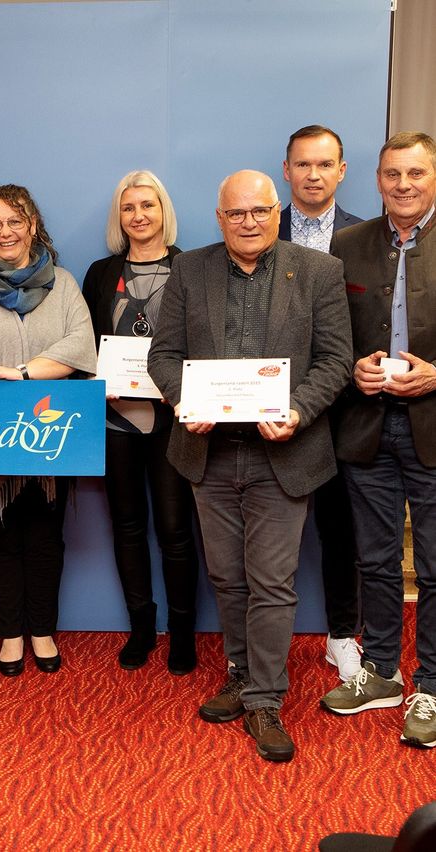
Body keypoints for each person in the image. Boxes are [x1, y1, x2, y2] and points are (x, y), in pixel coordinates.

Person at [148, 170, 352, 762]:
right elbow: (164, 356)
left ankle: (265, 698)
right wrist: (184, 401)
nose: (249, 222)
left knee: (270, 581)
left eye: (260, 211)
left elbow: (336, 361)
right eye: (237, 214)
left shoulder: (317, 272)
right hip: (208, 454)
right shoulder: (190, 270)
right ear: (219, 217)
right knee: (227, 578)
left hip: (283, 454)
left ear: (277, 209)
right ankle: (239, 672)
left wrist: (297, 409)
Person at [0, 184, 97, 676]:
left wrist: (27, 371)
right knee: (1, 536)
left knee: (48, 536)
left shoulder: (64, 284)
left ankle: (42, 630)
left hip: (54, 437)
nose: (5, 232)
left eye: (15, 221)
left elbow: (81, 345)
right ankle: (10, 634)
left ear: (32, 225)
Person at [320, 131, 436, 750]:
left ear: (433, 177)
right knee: (375, 562)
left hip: (432, 428)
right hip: (366, 427)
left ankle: (433, 686)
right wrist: (352, 371)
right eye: (392, 174)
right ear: (376, 180)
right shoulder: (348, 245)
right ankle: (384, 672)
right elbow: (331, 338)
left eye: (415, 173)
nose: (403, 185)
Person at [82, 170, 200, 674]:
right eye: (129, 208)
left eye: (148, 205)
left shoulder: (192, 269)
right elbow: (87, 345)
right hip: (115, 421)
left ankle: (182, 634)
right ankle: (141, 628)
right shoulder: (99, 273)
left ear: (163, 211)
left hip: (176, 419)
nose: (139, 216)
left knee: (175, 530)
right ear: (120, 216)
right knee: (127, 527)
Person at [281, 125, 364, 681]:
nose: (313, 174)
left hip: (344, 411)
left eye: (324, 164)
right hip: (271, 407)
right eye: (303, 164)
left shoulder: (366, 237)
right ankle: (258, 645)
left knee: (341, 530)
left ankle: (342, 636)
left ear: (341, 171)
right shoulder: (260, 229)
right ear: (286, 170)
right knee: (268, 534)